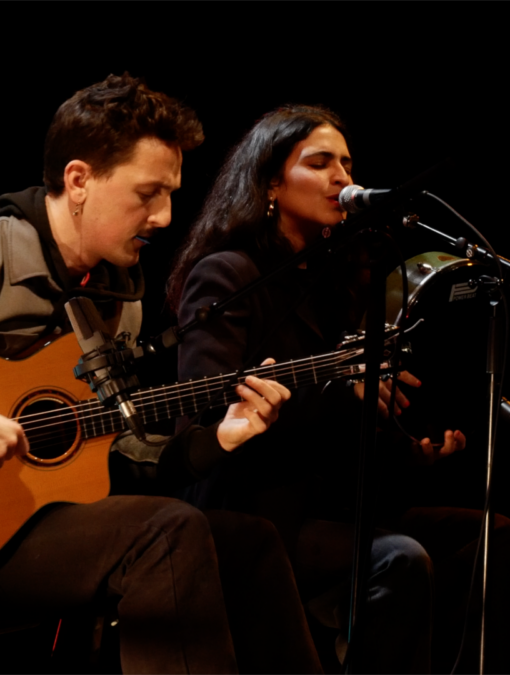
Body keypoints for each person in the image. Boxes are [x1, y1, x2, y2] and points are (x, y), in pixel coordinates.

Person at [166, 104, 510, 675]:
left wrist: (410, 450)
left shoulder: (338, 283)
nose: (342, 178)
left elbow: (346, 419)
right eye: (320, 163)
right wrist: (342, 395)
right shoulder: (228, 273)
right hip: (257, 513)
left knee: (492, 539)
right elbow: (203, 409)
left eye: (347, 164)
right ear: (271, 181)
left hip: (334, 507)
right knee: (400, 559)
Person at [0, 74, 321, 674]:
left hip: (44, 521)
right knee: (165, 530)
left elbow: (117, 444)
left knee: (247, 540)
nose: (166, 216)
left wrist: (217, 440)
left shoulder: (121, 295)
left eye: (171, 194)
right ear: (78, 181)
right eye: (147, 194)